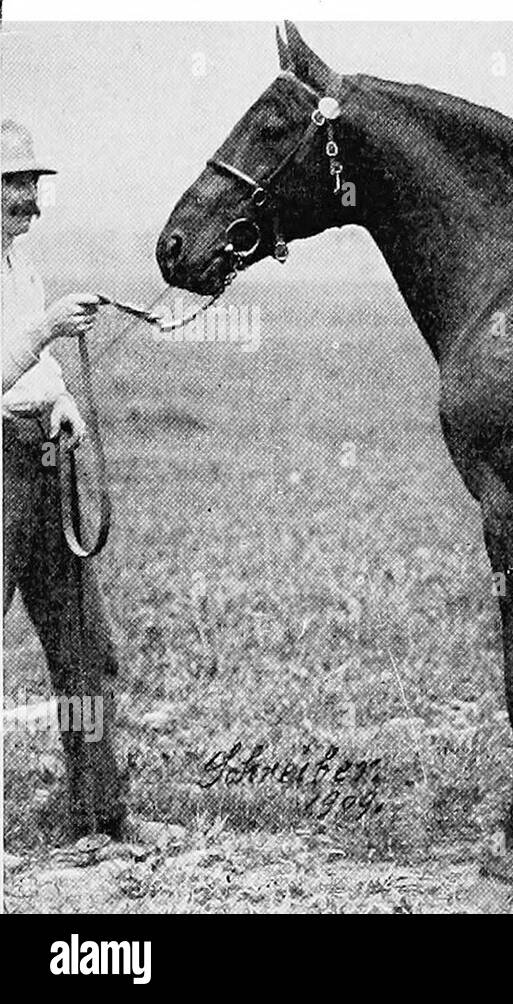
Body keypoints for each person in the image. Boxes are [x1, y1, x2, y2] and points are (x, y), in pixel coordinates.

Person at [2, 117, 126, 838]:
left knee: (85, 645)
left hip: (42, 458)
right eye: (13, 184)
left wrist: (65, 402)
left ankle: (98, 815)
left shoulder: (22, 268)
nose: (28, 199)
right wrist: (44, 329)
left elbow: (33, 369)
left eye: (31, 184)